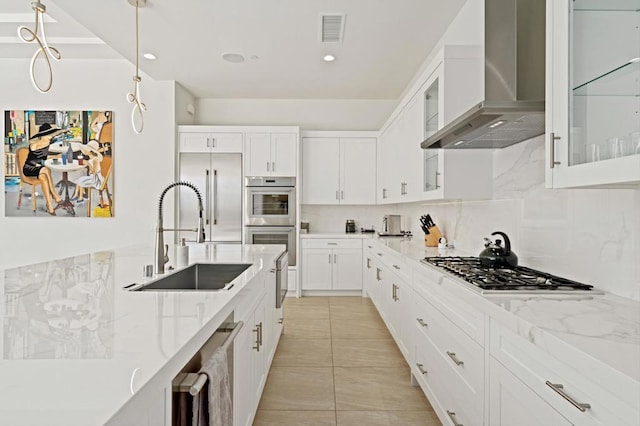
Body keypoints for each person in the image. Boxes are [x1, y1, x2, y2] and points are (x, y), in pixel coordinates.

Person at [23, 123, 65, 215]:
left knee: (43, 177)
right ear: (43, 135)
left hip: (38, 168)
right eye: (49, 134)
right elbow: (35, 159)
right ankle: (54, 194)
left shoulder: (47, 142)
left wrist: (56, 155)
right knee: (46, 169)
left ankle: (49, 205)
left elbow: (43, 157)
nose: (50, 136)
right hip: (29, 168)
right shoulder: (34, 145)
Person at [72, 140, 106, 206]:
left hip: (97, 180)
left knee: (80, 180)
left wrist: (88, 164)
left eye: (86, 149)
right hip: (93, 178)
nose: (84, 151)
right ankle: (79, 196)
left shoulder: (95, 159)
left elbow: (94, 171)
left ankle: (78, 196)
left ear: (90, 151)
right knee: (80, 179)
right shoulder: (92, 159)